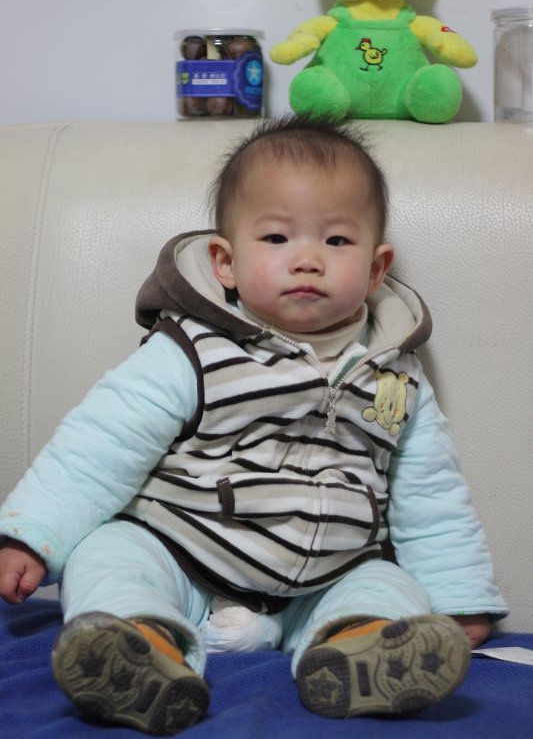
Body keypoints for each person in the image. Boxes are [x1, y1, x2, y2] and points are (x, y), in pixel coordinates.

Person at [0, 115, 507, 735]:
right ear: (226, 261)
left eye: (336, 241)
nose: (307, 260)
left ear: (377, 270)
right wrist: (32, 536)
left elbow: (431, 497)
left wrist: (458, 596)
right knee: (107, 555)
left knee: (385, 582)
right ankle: (139, 643)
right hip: (182, 555)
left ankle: (360, 646)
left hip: (322, 579)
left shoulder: (396, 378)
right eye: (275, 237)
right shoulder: (190, 351)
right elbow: (99, 446)